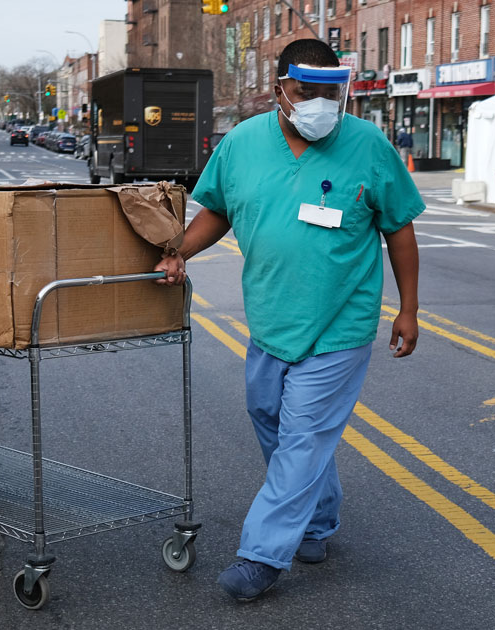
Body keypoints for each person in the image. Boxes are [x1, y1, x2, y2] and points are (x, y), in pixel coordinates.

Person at [155, 38, 425, 602]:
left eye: (331, 92)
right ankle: (319, 521)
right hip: (272, 321)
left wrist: (408, 308)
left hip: (340, 326)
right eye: (307, 92)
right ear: (280, 90)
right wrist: (180, 250)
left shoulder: (369, 145)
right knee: (272, 420)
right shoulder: (244, 143)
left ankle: (261, 555)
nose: (321, 103)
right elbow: (220, 212)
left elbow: (399, 228)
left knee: (302, 437)